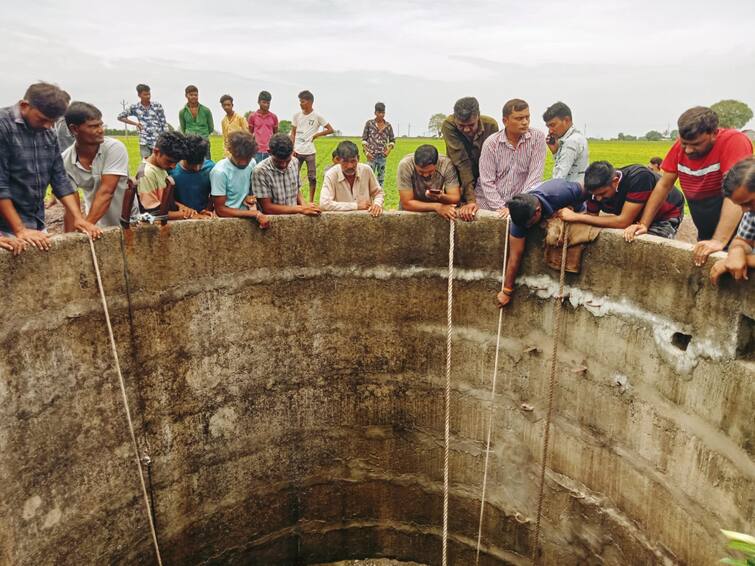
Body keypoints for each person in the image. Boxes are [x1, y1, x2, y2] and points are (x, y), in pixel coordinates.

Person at [624, 106, 753, 266]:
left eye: (696, 144)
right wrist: (644, 224)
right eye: (685, 143)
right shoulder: (680, 148)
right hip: (706, 231)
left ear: (714, 133)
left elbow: (737, 192)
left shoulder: (733, 141)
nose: (689, 150)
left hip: (741, 234)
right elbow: (664, 185)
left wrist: (719, 240)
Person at [0, 82, 102, 251]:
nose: (48, 126)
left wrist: (78, 218)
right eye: (43, 119)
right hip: (6, 227)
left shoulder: (48, 132)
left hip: (34, 222)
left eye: (53, 122)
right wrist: (20, 229)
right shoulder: (3, 127)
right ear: (25, 106)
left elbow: (59, 178)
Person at [495, 179, 589, 307]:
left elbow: (589, 188)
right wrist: (507, 291)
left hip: (577, 212)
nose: (526, 228)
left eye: (529, 224)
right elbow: (515, 255)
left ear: (538, 211)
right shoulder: (519, 220)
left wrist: (577, 214)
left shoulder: (560, 192)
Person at [62, 101, 140, 228]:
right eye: (93, 126)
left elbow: (106, 192)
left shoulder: (114, 148)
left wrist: (86, 226)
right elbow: (71, 208)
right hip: (96, 223)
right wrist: (69, 239)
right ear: (74, 129)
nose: (100, 130)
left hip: (128, 222)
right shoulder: (66, 162)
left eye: (101, 125)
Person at [559, 161, 684, 238]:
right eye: (594, 195)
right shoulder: (594, 189)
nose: (598, 198)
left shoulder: (638, 178)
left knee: (645, 246)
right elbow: (592, 218)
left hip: (664, 215)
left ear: (615, 181)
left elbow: (623, 222)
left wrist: (576, 217)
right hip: (635, 216)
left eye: (602, 194)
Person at [476, 99, 547, 214]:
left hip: (521, 202)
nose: (525, 122)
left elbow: (535, 177)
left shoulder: (537, 138)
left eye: (527, 117)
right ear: (505, 121)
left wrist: (518, 205)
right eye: (519, 118)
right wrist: (500, 208)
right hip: (489, 203)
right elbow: (487, 181)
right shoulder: (492, 143)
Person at [441, 97, 499, 221]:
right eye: (461, 126)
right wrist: (471, 200)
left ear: (478, 116)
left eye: (471, 125)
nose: (467, 130)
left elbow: (491, 161)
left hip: (484, 174)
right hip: (459, 175)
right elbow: (462, 163)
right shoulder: (448, 125)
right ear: (455, 118)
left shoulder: (491, 125)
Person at [710, 156, 755, 285]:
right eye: (741, 205)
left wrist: (744, 260)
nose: (745, 210)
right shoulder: (752, 212)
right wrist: (737, 251)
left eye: (748, 203)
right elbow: (742, 240)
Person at [210, 131, 269, 228]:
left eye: (247, 158)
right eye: (239, 157)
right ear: (230, 151)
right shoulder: (220, 172)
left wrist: (248, 197)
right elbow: (220, 210)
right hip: (227, 222)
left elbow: (247, 189)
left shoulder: (252, 163)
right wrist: (255, 214)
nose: (243, 162)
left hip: (246, 219)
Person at [254, 133, 321, 217]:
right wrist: (301, 209)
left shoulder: (295, 162)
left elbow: (296, 190)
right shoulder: (260, 171)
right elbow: (267, 207)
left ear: (293, 152)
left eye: (287, 160)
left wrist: (304, 206)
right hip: (273, 221)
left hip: (294, 217)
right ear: (269, 152)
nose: (283, 165)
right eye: (278, 161)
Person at [136, 131, 197, 221]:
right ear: (156, 152)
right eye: (169, 161)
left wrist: (181, 206)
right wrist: (187, 215)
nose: (173, 166)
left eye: (176, 162)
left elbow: (163, 200)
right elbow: (152, 214)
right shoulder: (147, 174)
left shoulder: (160, 167)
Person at [290, 90, 334, 202]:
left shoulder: (317, 116)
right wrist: (292, 149)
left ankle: (311, 201)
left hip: (310, 152)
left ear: (310, 102)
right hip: (297, 151)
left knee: (312, 178)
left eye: (303, 101)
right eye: (300, 101)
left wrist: (317, 134)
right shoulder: (296, 116)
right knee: (293, 177)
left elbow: (330, 129)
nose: (300, 104)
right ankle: (296, 200)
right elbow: (293, 133)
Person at [320, 140, 384, 216]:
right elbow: (324, 203)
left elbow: (378, 193)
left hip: (366, 221)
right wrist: (356, 206)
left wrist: (377, 204)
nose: (350, 166)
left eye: (353, 161)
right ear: (338, 160)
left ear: (358, 158)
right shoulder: (331, 174)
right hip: (341, 222)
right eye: (345, 162)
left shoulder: (366, 170)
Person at [397, 144, 460, 220]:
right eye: (421, 172)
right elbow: (407, 203)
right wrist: (437, 207)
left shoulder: (446, 164)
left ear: (436, 164)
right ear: (415, 163)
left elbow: (455, 197)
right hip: (411, 212)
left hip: (436, 213)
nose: (426, 175)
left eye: (430, 171)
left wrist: (441, 197)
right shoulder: (405, 165)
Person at [117, 84, 167, 159]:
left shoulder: (157, 106)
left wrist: (165, 138)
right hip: (144, 140)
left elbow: (163, 122)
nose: (148, 96)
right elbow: (120, 117)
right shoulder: (135, 107)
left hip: (157, 140)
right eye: (145, 94)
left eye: (149, 94)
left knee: (158, 162)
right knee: (146, 163)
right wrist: (135, 124)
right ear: (139, 95)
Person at [543, 101, 588, 183]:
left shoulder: (571, 142)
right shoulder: (578, 137)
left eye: (553, 125)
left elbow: (559, 178)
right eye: (548, 126)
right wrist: (556, 152)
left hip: (571, 191)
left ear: (566, 120)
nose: (550, 131)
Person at [172, 135, 215, 215]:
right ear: (184, 158)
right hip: (182, 216)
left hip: (205, 215)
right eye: (192, 165)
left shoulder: (211, 168)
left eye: (200, 163)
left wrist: (207, 209)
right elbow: (167, 198)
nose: (197, 168)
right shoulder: (172, 171)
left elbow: (215, 193)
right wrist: (181, 207)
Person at [361, 102, 395, 187]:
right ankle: (368, 198)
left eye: (383, 113)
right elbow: (364, 140)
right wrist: (367, 153)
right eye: (379, 112)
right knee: (368, 178)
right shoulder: (369, 124)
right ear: (375, 113)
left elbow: (392, 140)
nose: (381, 115)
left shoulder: (388, 126)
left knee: (381, 180)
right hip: (371, 156)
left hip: (382, 157)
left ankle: (379, 198)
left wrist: (388, 151)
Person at [179, 85, 214, 158]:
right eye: (191, 95)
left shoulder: (206, 110)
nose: (194, 97)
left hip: (204, 141)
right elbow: (183, 128)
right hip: (189, 142)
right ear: (186, 95)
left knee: (206, 163)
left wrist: (203, 134)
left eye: (196, 95)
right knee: (190, 163)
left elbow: (211, 128)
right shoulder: (182, 112)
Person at [247, 91, 278, 163]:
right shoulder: (252, 116)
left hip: (270, 151)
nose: (266, 105)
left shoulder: (274, 117)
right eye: (264, 102)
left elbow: (275, 135)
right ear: (258, 102)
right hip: (256, 151)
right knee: (256, 171)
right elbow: (250, 134)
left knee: (269, 172)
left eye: (268, 103)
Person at [219, 94, 247, 159]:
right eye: (224, 105)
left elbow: (247, 135)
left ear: (232, 105)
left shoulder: (240, 118)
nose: (226, 107)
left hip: (240, 150)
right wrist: (225, 152)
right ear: (222, 106)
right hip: (228, 153)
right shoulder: (223, 121)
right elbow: (225, 138)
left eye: (228, 105)